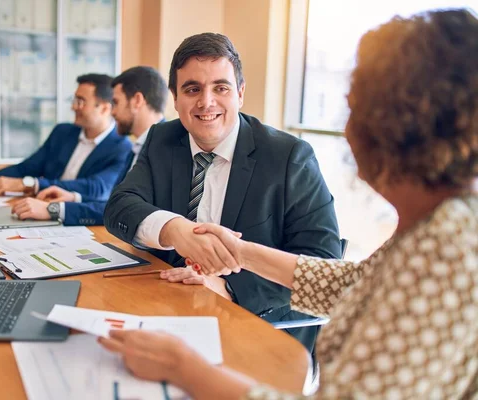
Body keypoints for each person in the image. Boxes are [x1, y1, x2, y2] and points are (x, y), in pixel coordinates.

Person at [99, 9, 478, 399]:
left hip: (256, 338)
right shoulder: (441, 226)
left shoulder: (446, 250)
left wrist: (183, 367)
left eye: (353, 108)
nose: (345, 129)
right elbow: (347, 283)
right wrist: (236, 250)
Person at [103, 33, 341, 353]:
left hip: (254, 328)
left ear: (240, 93)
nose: (206, 102)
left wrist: (228, 286)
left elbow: (323, 263)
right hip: (170, 311)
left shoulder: (290, 157)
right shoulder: (162, 138)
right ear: (175, 99)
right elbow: (119, 206)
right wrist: (175, 230)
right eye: (192, 89)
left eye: (221, 87)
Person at [11, 66, 167, 225]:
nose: (112, 112)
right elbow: (116, 204)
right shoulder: (139, 146)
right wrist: (74, 197)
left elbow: (129, 212)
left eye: (115, 102)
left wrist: (55, 209)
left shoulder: (165, 149)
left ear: (137, 101)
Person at [0, 74, 131, 202]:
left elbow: (96, 188)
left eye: (81, 102)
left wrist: (31, 184)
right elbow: (26, 168)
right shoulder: (64, 132)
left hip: (79, 221)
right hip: (39, 210)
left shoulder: (122, 147)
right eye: (74, 100)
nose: (73, 107)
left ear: (105, 108)